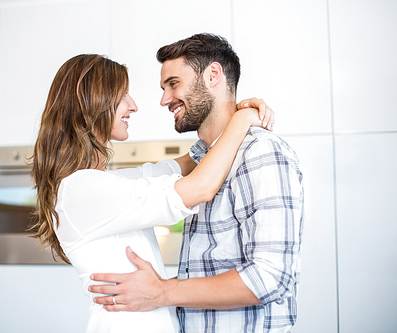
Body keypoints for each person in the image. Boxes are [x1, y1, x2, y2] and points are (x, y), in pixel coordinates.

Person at [30, 53, 274, 333]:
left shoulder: (102, 183)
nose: (132, 106)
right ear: (92, 102)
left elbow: (180, 167)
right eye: (122, 95)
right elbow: (200, 187)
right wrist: (242, 120)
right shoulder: (80, 190)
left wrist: (225, 119)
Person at [89, 34, 305, 333]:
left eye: (173, 84)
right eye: (164, 88)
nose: (164, 99)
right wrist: (241, 117)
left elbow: (270, 277)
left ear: (213, 75)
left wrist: (161, 292)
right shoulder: (204, 160)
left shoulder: (261, 152)